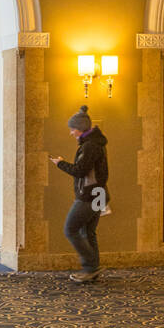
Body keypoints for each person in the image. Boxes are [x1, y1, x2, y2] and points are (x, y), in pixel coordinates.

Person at [49, 105, 109, 283]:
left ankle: (91, 265)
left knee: (70, 229)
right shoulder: (95, 143)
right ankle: (92, 269)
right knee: (88, 232)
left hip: (90, 195)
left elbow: (80, 170)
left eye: (72, 129)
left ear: (80, 129)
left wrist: (60, 163)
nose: (71, 133)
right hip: (99, 194)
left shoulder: (90, 146)